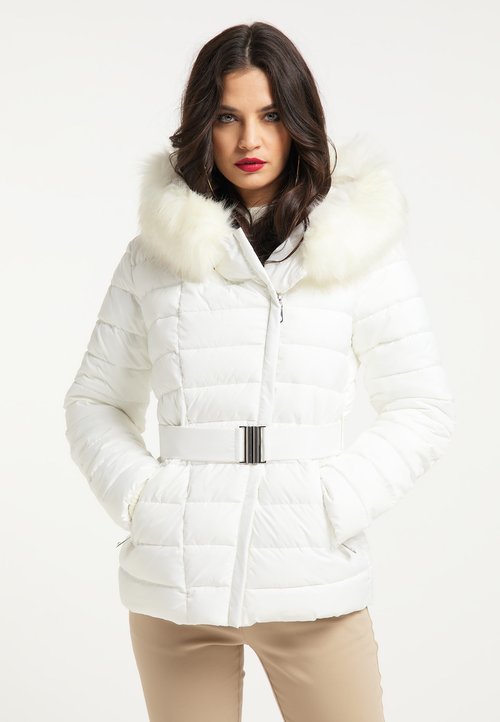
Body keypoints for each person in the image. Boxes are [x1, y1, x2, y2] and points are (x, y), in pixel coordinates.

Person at [63, 20, 455, 722]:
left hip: (312, 581)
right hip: (176, 585)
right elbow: (95, 400)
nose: (250, 140)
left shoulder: (357, 248)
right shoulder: (155, 255)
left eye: (271, 115)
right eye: (227, 117)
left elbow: (422, 406)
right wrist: (146, 501)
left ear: (299, 121)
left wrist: (331, 503)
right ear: (202, 127)